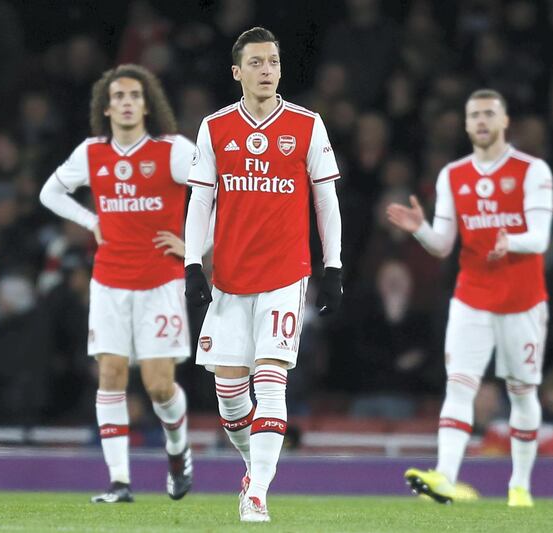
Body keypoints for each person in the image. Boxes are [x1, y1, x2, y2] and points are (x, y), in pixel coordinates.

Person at [183, 27, 343, 522]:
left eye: (272, 61)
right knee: (230, 398)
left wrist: (332, 265)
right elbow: (201, 200)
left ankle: (257, 496)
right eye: (255, 63)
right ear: (237, 72)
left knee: (272, 380)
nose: (266, 70)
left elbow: (326, 199)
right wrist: (192, 262)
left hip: (285, 276)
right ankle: (256, 465)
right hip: (230, 279)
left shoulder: (308, 124)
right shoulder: (214, 128)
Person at [386, 89, 553, 508]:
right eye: (474, 115)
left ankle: (520, 485)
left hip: (523, 300)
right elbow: (443, 245)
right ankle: (444, 476)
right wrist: (420, 229)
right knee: (459, 387)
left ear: (504, 121)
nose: (481, 121)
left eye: (488, 114)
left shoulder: (532, 171)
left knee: (521, 393)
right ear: (465, 125)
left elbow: (540, 237)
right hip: (471, 297)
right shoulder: (452, 175)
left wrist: (509, 241)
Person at [39, 64, 195, 503]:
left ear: (147, 105)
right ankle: (119, 482)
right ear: (106, 108)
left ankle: (178, 450)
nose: (127, 102)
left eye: (135, 96)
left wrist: (195, 244)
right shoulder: (92, 153)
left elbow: (217, 189)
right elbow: (49, 192)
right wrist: (92, 221)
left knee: (159, 386)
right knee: (109, 375)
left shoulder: (173, 150)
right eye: (119, 96)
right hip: (109, 281)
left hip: (161, 281)